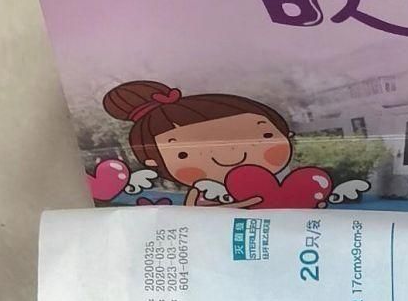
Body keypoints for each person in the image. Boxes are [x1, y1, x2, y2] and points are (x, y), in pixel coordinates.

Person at [99, 80, 342, 209]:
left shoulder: (291, 179)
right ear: (153, 161)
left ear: (285, 134)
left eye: (264, 136)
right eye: (183, 153)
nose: (231, 155)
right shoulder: (202, 195)